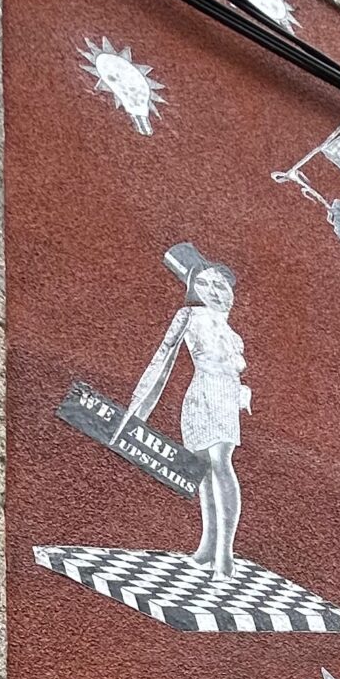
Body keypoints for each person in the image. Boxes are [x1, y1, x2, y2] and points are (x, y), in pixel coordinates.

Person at [118, 242, 250, 577]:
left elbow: (233, 370)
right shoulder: (190, 316)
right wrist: (137, 407)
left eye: (220, 284)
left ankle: (225, 553)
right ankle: (207, 547)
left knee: (221, 462)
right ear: (193, 289)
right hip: (199, 395)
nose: (214, 290)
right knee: (202, 470)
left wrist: (242, 394)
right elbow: (162, 357)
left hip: (224, 396)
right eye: (204, 284)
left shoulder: (232, 332)